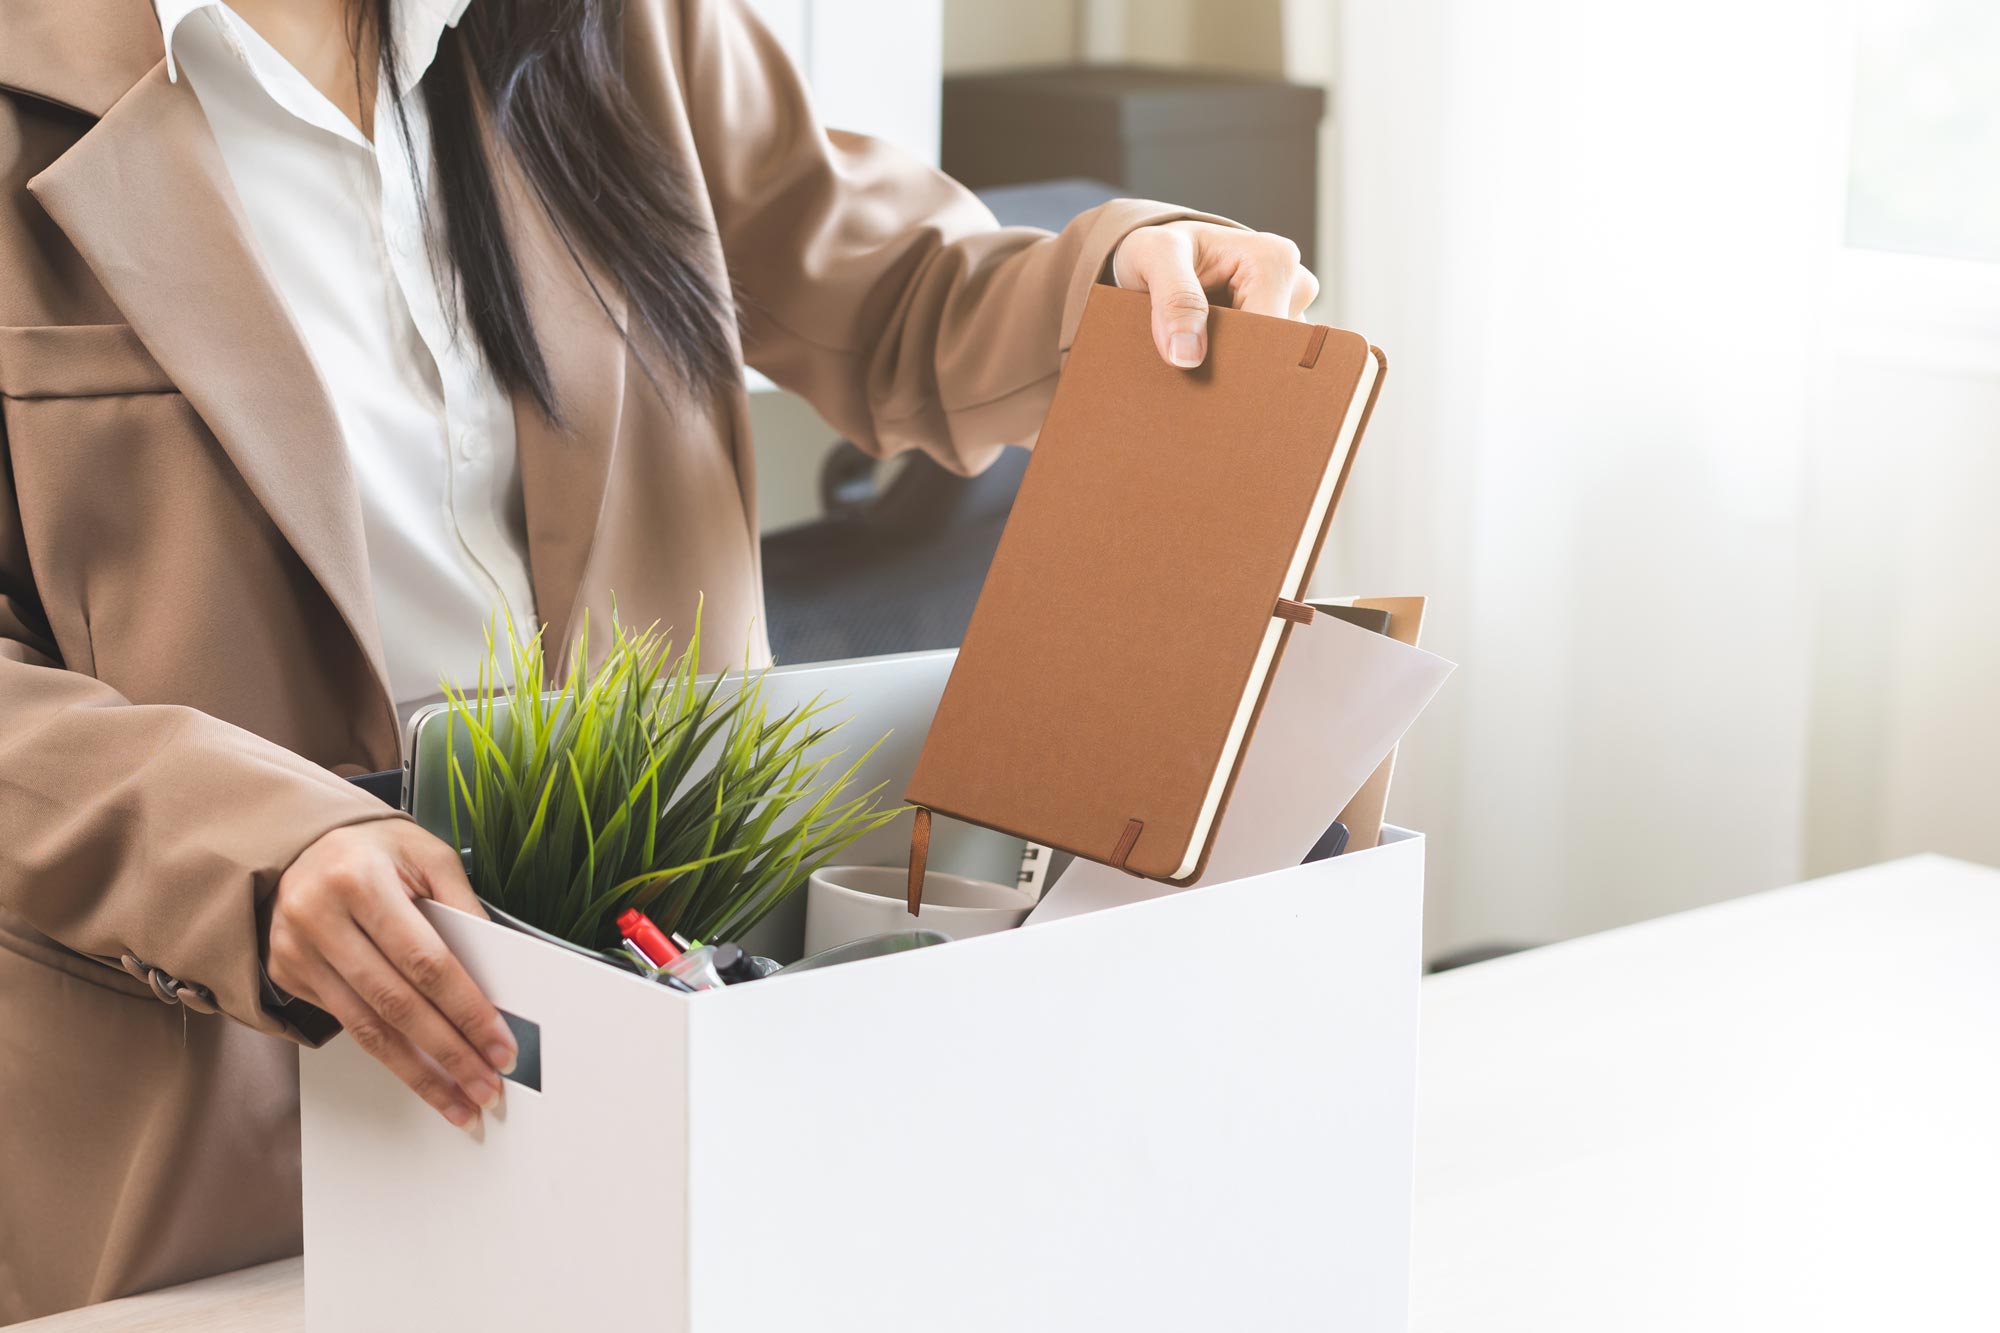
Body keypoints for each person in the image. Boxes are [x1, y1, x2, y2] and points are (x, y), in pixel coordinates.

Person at [0, 0, 1319, 1318]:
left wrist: (1124, 276)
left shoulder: (619, 23)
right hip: (225, 1093)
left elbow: (897, 284)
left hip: (671, 1000)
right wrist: (256, 845)